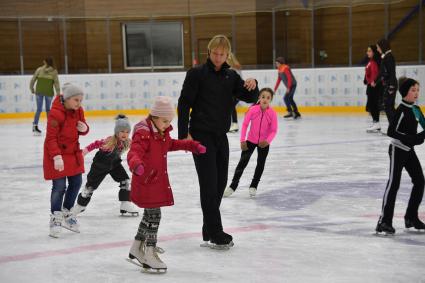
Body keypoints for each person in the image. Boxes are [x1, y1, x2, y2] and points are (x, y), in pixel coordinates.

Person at [178, 34, 259, 249]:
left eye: (222, 54)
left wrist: (253, 84)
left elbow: (250, 98)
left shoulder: (230, 76)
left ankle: (208, 228)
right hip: (200, 136)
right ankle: (215, 232)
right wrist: (184, 135)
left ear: (227, 55)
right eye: (215, 53)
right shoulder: (196, 74)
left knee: (220, 183)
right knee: (209, 185)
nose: (218, 57)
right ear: (209, 52)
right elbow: (184, 103)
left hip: (220, 137)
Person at [126, 96, 206, 273]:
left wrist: (192, 145)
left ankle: (136, 247)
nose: (167, 124)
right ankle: (149, 253)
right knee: (155, 216)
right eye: (164, 121)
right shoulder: (144, 132)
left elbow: (173, 144)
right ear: (154, 116)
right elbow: (134, 151)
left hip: (153, 182)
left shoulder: (161, 133)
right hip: (146, 181)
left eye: (169, 121)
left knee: (149, 216)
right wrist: (136, 165)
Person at [376, 77, 425, 235]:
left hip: (408, 150)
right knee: (394, 183)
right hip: (398, 149)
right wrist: (412, 139)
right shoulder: (402, 110)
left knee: (419, 181)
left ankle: (411, 217)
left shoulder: (416, 109)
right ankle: (384, 221)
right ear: (405, 93)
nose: (416, 93)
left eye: (417, 90)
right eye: (413, 90)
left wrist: (418, 137)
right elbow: (391, 131)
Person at [43, 83, 89, 238]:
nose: (79, 103)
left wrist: (84, 129)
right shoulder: (55, 114)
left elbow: (82, 129)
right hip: (57, 155)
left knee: (76, 182)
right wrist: (56, 156)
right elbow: (51, 138)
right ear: (67, 99)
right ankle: (55, 217)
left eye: (81, 100)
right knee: (59, 186)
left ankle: (66, 212)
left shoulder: (79, 111)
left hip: (73, 153)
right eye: (76, 100)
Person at [73, 114, 138, 217]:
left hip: (114, 164)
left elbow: (138, 146)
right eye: (122, 131)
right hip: (100, 164)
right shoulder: (109, 141)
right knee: (90, 187)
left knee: (125, 181)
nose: (124, 134)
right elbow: (95, 144)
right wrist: (84, 151)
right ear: (117, 132)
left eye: (127, 132)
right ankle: (80, 205)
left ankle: (125, 203)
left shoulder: (128, 142)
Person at [224, 88, 278, 198]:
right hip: (250, 141)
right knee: (242, 163)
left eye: (268, 98)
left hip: (264, 143)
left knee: (260, 164)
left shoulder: (272, 113)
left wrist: (267, 141)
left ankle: (254, 185)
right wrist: (243, 140)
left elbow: (273, 130)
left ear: (270, 100)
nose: (265, 99)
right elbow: (244, 125)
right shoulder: (253, 110)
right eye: (263, 97)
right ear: (259, 98)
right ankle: (232, 186)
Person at [29, 57, 60, 135]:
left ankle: (35, 126)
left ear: (45, 62)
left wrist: (32, 88)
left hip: (39, 92)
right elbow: (56, 83)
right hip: (49, 93)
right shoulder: (54, 71)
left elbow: (33, 79)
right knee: (48, 110)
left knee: (39, 109)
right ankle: (50, 127)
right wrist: (58, 93)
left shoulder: (39, 69)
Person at [373, 38, 397, 125]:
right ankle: (395, 126)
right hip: (390, 84)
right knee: (389, 106)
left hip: (391, 84)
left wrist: (391, 86)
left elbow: (392, 73)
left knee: (388, 107)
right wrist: (376, 81)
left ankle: (394, 126)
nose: (377, 49)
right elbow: (382, 73)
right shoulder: (386, 56)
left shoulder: (389, 57)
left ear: (382, 47)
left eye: (378, 47)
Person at [364, 45, 382, 133]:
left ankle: (376, 123)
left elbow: (376, 73)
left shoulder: (376, 61)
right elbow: (368, 72)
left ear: (374, 52)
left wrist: (373, 82)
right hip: (370, 86)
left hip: (374, 86)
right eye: (367, 51)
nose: (367, 53)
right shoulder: (370, 61)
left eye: (369, 51)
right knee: (371, 104)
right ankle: (376, 123)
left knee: (373, 104)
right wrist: (366, 80)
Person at [227, 52, 242, 133]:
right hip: (237, 92)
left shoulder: (232, 69)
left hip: (236, 92)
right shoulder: (236, 67)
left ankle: (234, 124)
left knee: (231, 107)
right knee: (231, 107)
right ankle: (234, 124)